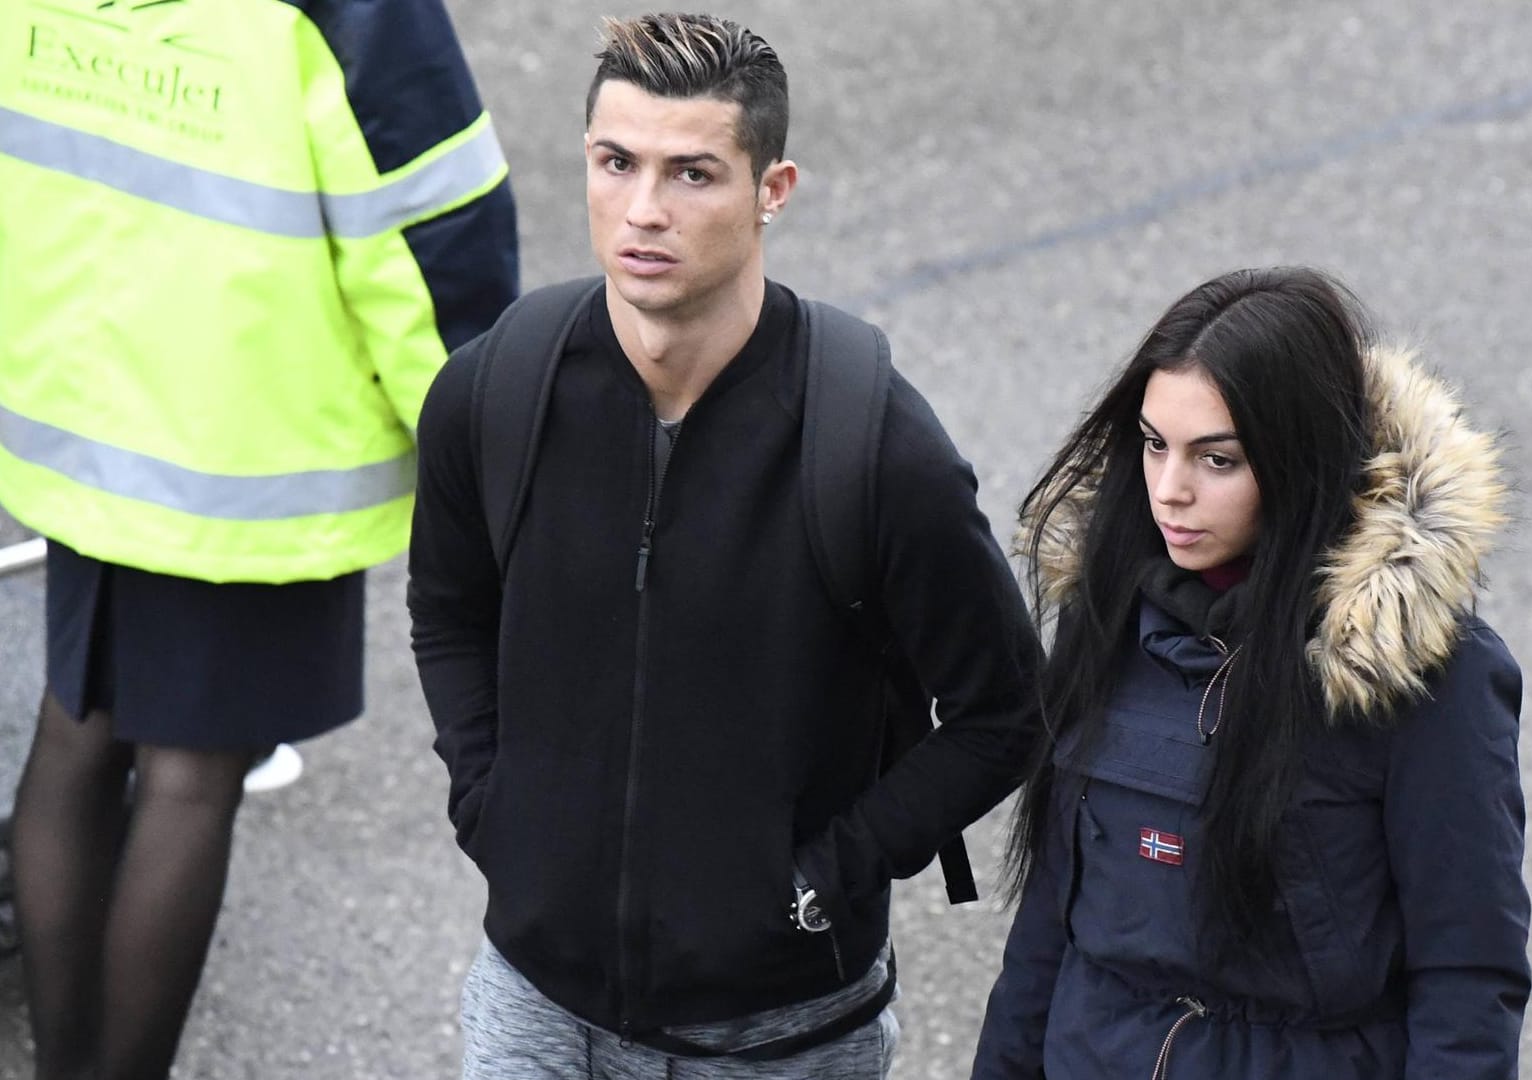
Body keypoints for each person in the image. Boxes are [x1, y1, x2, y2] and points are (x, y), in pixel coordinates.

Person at [407, 12, 1041, 1078]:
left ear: (772, 191)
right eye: (617, 163)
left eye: (693, 173)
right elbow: (449, 615)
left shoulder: (873, 444)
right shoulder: (496, 388)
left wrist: (819, 878)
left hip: (782, 1036)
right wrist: (491, 805)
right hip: (533, 1004)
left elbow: (1003, 712)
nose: (643, 211)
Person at [0, 0, 519, 1074]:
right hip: (240, 429)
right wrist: (484, 458)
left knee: (79, 724)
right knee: (193, 774)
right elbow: (430, 231)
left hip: (74, 396)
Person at [969, 267, 1531, 1078]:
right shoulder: (1105, 618)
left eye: (1218, 460)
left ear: (1300, 460)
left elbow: (1468, 976)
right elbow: (1047, 932)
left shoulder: (1417, 673)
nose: (1171, 492)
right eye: (1155, 444)